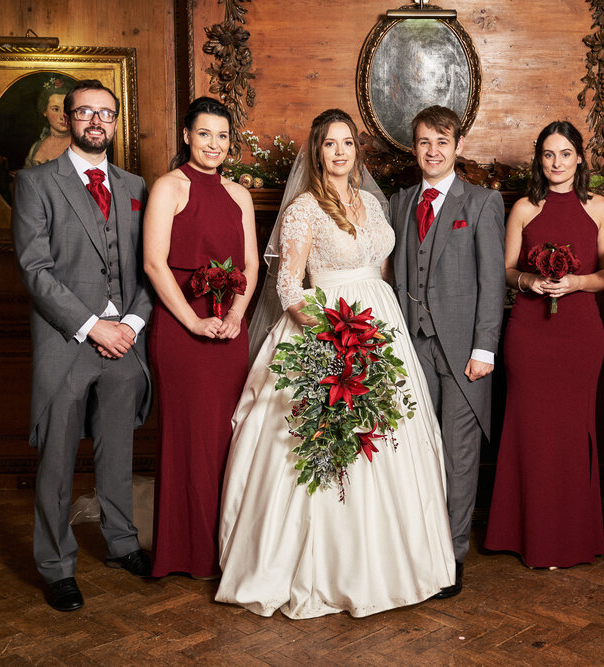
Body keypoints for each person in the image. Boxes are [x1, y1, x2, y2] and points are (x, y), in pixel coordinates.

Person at [216, 109, 455, 618]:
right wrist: (333, 337)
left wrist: (376, 326)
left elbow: (383, 270)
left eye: (348, 143)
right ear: (317, 152)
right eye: (330, 144)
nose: (341, 152)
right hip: (328, 327)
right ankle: (327, 568)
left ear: (356, 152)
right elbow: (288, 285)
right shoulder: (304, 208)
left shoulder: (373, 202)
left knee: (391, 436)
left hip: (380, 323)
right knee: (327, 443)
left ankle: (397, 564)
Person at [12, 79, 153, 612]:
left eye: (106, 113)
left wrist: (133, 326)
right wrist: (95, 326)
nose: (96, 121)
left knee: (117, 452)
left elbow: (150, 266)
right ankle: (56, 565)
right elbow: (35, 269)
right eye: (85, 112)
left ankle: (121, 544)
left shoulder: (137, 185)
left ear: (115, 121)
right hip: (69, 341)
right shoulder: (36, 182)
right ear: (68, 119)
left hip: (125, 344)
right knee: (58, 460)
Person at [483, 121, 604, 567]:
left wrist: (574, 282)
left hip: (579, 333)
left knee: (572, 429)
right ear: (539, 160)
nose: (557, 163)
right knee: (530, 428)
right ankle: (525, 534)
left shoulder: (600, 208)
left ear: (580, 157)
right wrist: (530, 280)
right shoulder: (524, 207)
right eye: (548, 154)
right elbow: (502, 270)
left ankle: (572, 537)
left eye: (565, 154)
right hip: (529, 332)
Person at [389, 106, 506, 596]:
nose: (433, 151)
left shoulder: (481, 203)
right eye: (423, 142)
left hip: (463, 353)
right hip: (410, 346)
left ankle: (452, 556)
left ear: (458, 146)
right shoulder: (398, 202)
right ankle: (417, 549)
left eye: (442, 141)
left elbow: (492, 282)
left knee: (459, 457)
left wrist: (485, 348)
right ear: (413, 148)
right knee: (414, 453)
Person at [143, 97, 258, 580]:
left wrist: (235, 314)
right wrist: (192, 323)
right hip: (181, 326)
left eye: (223, 136)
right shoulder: (169, 186)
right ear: (187, 136)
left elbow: (251, 265)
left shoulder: (239, 194)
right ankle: (185, 552)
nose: (214, 144)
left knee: (229, 437)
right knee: (188, 439)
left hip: (229, 330)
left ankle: (226, 551)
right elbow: (154, 262)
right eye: (205, 134)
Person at [25, 78, 73, 168]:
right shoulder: (36, 146)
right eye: (55, 109)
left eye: (67, 109)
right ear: (44, 111)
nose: (63, 116)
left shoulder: (81, 144)